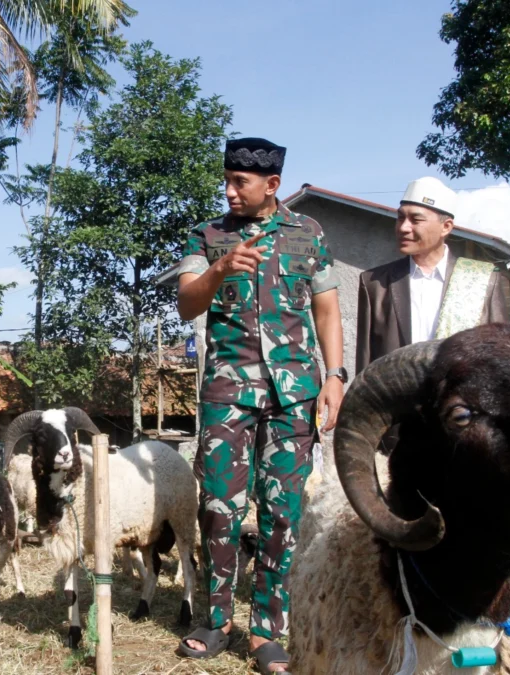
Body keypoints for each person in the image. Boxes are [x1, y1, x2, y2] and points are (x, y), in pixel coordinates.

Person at [174, 137, 345, 674]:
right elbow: (185, 304)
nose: (230, 191)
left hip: (293, 394)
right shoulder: (208, 235)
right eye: (226, 181)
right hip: (228, 394)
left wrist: (335, 376)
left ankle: (269, 630)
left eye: (240, 183)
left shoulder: (309, 235)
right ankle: (217, 619)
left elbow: (327, 311)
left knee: (282, 512)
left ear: (271, 185)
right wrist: (219, 269)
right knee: (219, 506)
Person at [355, 176, 509, 373]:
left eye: (416, 220)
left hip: (461, 399)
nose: (403, 227)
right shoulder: (376, 282)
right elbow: (365, 362)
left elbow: (501, 355)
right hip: (399, 400)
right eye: (400, 217)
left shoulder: (481, 280)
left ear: (446, 227)